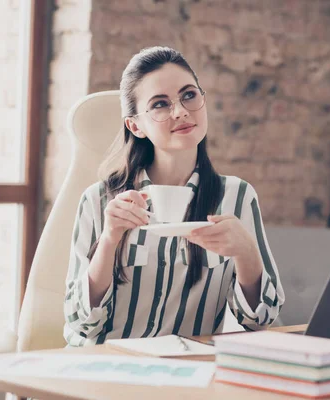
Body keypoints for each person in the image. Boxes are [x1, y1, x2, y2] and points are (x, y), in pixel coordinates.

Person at [63, 46, 284, 346]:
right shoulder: (100, 201)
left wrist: (247, 253)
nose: (180, 111)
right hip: (106, 368)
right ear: (135, 125)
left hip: (187, 373)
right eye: (160, 104)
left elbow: (260, 321)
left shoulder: (238, 196)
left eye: (189, 95)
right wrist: (109, 240)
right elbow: (82, 324)